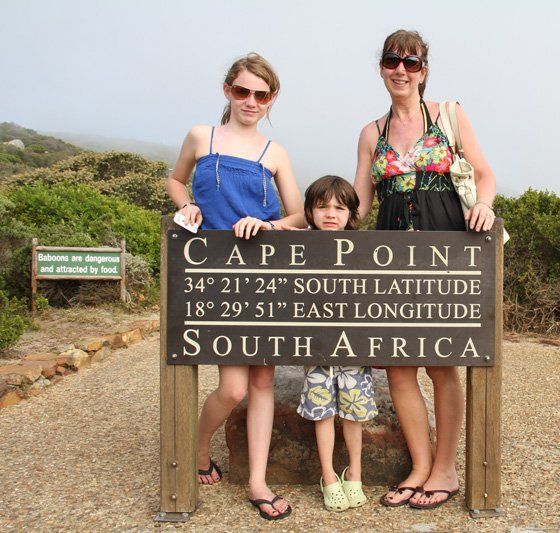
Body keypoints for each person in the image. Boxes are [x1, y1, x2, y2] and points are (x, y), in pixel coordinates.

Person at [352, 30, 497, 510]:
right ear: (381, 67)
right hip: (392, 261)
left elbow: (483, 173)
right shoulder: (372, 133)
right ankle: (419, 465)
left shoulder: (449, 115)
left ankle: (446, 468)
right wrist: (307, 221)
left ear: (423, 70)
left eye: (411, 63)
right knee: (398, 368)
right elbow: (359, 208)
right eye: (393, 60)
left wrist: (487, 207)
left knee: (441, 364)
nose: (401, 70)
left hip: (447, 255)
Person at [166, 52, 305, 521]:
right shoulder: (200, 136)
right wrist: (187, 207)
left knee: (262, 380)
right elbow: (175, 179)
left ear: (271, 99)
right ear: (228, 90)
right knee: (232, 388)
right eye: (242, 91)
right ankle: (200, 445)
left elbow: (299, 214)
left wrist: (266, 226)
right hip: (217, 274)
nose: (251, 101)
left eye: (261, 94)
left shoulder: (275, 153)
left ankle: (258, 482)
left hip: (263, 274)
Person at [296, 175, 378, 512]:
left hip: (354, 352)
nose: (331, 213)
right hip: (317, 352)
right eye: (322, 207)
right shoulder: (299, 247)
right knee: (323, 413)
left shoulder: (364, 251)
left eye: (339, 208)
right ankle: (329, 476)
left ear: (352, 216)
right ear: (310, 212)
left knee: (354, 413)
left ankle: (354, 473)